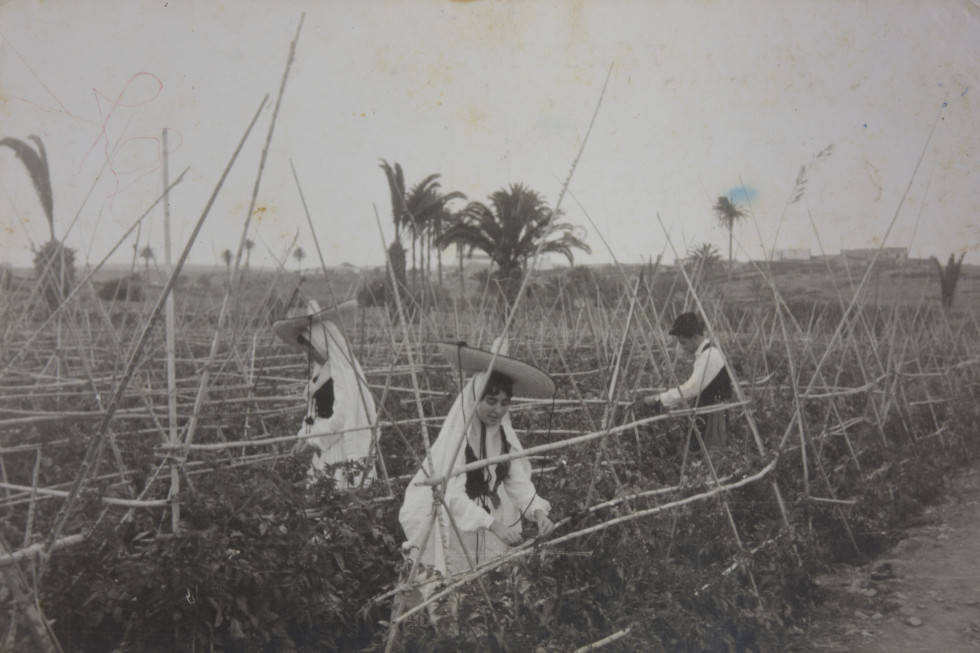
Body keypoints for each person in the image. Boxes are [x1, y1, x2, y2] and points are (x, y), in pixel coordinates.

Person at [398, 338, 556, 585]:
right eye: (491, 402)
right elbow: (452, 495)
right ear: (475, 400)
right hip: (458, 523)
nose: (498, 410)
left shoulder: (503, 437)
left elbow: (517, 481)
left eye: (504, 403)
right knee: (456, 582)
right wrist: (492, 524)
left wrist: (538, 513)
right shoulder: (458, 439)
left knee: (492, 581)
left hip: (491, 520)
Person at [272, 299, 378, 487]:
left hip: (338, 443)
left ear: (323, 343)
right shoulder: (320, 372)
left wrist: (313, 441)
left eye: (312, 348)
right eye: (307, 349)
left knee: (338, 487)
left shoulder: (344, 374)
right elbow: (312, 412)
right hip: (323, 442)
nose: (310, 354)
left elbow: (341, 417)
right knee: (319, 489)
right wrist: (303, 437)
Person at [639, 312, 733, 451]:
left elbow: (691, 389)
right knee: (701, 452)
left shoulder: (709, 357)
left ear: (695, 336)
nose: (682, 347)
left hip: (713, 415)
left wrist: (659, 398)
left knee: (709, 453)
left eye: (683, 343)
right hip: (708, 412)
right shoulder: (706, 354)